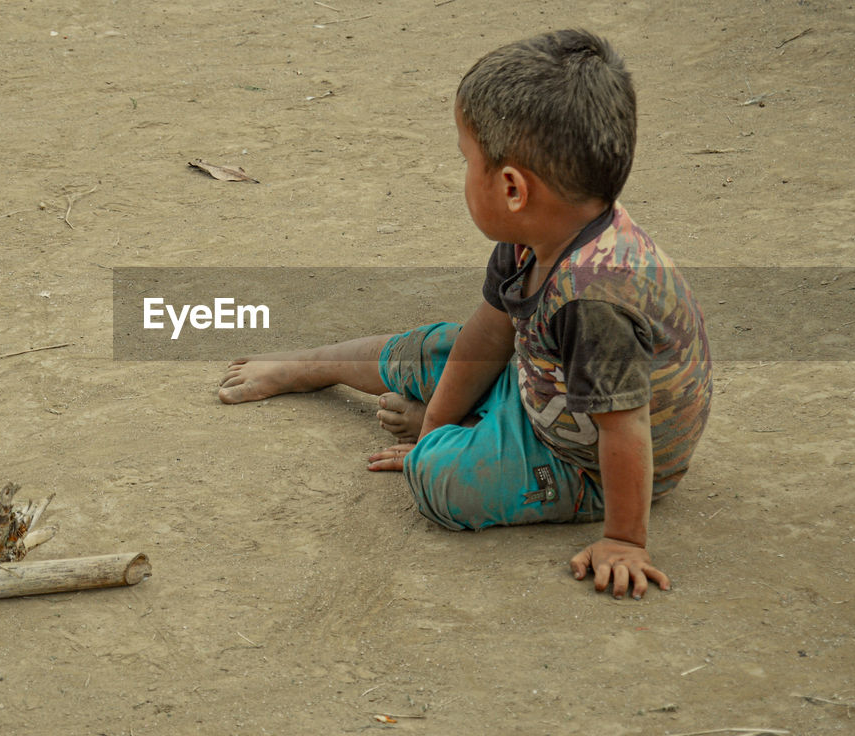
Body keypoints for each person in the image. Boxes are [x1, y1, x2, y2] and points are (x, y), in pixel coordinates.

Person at [218, 30, 712, 599]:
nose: (462, 172)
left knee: (439, 477)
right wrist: (435, 425)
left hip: (591, 461)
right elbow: (488, 333)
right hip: (545, 388)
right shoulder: (536, 236)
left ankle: (475, 431)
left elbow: (624, 426)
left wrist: (624, 540)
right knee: (440, 349)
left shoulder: (594, 299)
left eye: (465, 160)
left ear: (511, 188)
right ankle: (311, 367)